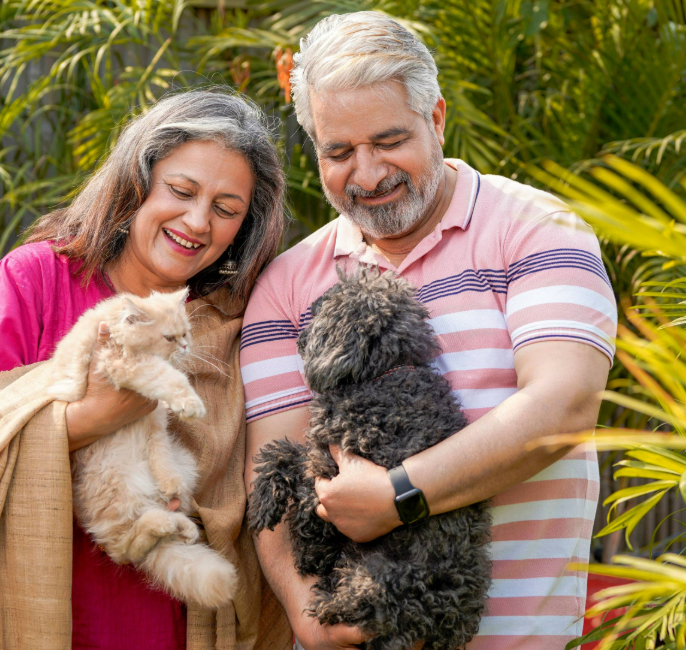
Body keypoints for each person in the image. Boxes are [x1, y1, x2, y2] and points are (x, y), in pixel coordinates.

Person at [241, 12, 616, 650]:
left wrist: (400, 496)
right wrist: (308, 611)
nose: (366, 174)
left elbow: (565, 404)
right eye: (338, 152)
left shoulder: (534, 227)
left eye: (388, 141)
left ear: (436, 118)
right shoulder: (285, 285)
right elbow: (269, 468)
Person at [0, 89, 291, 650]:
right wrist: (92, 418)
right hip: (45, 618)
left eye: (226, 209)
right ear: (136, 183)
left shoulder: (231, 323)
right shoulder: (35, 281)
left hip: (181, 622)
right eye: (181, 191)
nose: (196, 221)